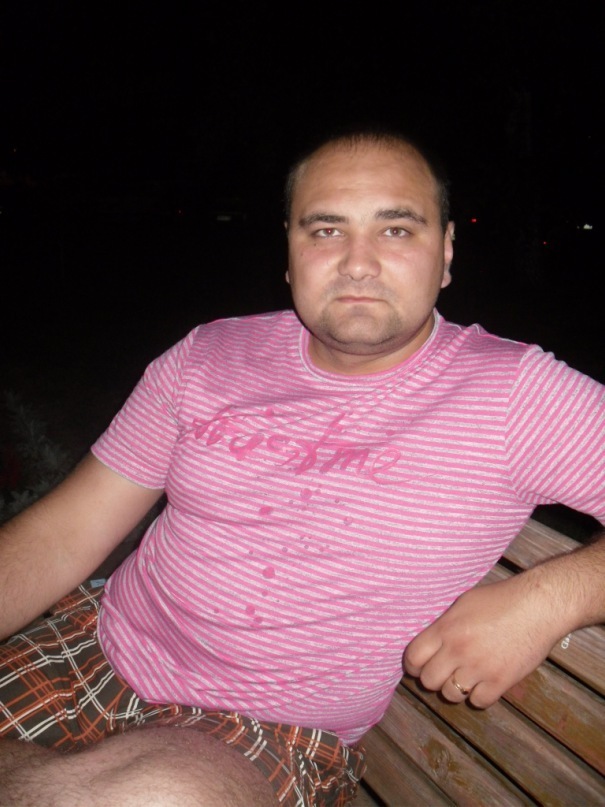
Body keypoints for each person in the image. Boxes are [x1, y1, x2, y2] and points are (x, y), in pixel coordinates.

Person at [1, 126, 604, 807]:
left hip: (261, 738)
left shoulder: (516, 395)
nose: (357, 263)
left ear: (445, 254)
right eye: (325, 230)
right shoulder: (208, 355)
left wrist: (546, 600)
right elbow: (64, 534)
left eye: (396, 230)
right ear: (289, 256)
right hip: (91, 650)